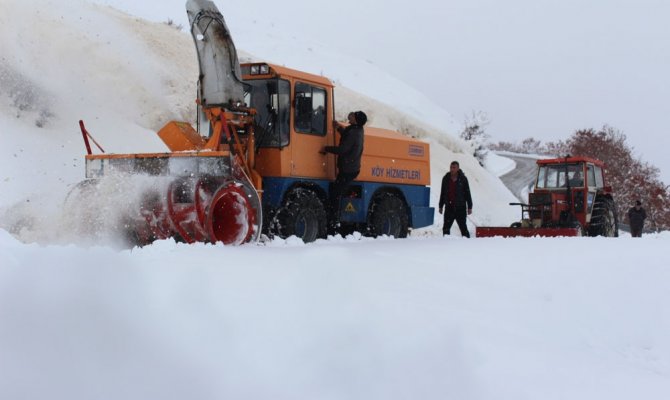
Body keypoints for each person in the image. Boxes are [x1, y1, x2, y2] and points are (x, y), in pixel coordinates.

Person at [322, 110, 366, 227]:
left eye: (354, 115)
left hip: (348, 170)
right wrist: (338, 128)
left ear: (356, 120)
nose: (351, 114)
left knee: (335, 193)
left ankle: (334, 221)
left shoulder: (354, 132)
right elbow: (346, 135)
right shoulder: (355, 129)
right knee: (337, 191)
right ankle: (334, 218)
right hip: (349, 168)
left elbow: (343, 149)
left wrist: (326, 148)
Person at [439, 161, 473, 237]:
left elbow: (467, 193)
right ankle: (446, 244)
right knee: (446, 229)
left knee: (463, 228)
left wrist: (470, 207)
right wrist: (440, 206)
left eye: (454, 167)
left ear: (458, 168)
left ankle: (468, 244)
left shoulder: (463, 179)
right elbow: (442, 193)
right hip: (449, 207)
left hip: (460, 207)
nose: (452, 169)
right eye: (451, 167)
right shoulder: (446, 178)